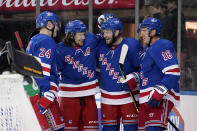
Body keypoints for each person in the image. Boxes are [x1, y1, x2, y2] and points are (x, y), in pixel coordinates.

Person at [126, 17, 180, 131]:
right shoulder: (146, 50)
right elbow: (146, 73)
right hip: (146, 98)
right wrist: (134, 78)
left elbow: (173, 72)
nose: (141, 35)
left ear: (153, 31)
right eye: (141, 31)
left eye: (144, 31)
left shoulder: (161, 45)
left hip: (159, 98)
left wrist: (159, 92)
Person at [97, 17, 141, 131]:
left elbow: (146, 68)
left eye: (107, 32)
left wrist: (135, 77)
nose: (104, 35)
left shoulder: (132, 45)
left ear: (116, 31)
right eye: (103, 32)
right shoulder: (100, 45)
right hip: (107, 99)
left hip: (129, 99)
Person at [56, 20, 100, 131]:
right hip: (68, 96)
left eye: (83, 34)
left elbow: (107, 36)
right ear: (70, 35)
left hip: (89, 94)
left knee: (92, 129)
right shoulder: (60, 50)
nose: (83, 37)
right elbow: (55, 71)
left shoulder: (91, 39)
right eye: (80, 35)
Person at [26, 11, 65, 131]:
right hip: (43, 94)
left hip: (33, 91)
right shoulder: (47, 41)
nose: (57, 28)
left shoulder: (34, 39)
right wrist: (47, 96)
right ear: (49, 24)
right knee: (57, 128)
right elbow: (42, 69)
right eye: (56, 25)